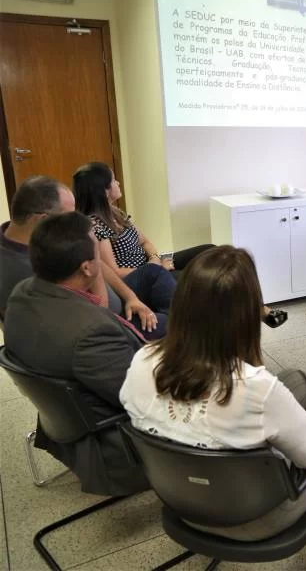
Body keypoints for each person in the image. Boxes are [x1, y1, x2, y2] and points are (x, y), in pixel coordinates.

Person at [119, 245, 306, 540]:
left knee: (298, 381)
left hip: (180, 505)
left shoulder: (142, 361)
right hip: (259, 518)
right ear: (248, 316)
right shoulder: (255, 388)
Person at [4, 212, 150, 495]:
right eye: (97, 248)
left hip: (73, 415)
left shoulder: (23, 292)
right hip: (115, 443)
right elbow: (143, 399)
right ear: (85, 267)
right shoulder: (90, 332)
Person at [73, 162, 287, 329]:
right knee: (206, 277)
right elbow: (117, 272)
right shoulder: (95, 226)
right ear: (103, 190)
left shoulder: (116, 213)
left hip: (153, 264)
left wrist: (155, 258)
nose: (118, 183)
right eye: (114, 180)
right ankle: (253, 312)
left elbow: (145, 241)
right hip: (141, 277)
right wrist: (155, 267)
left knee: (213, 251)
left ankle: (256, 307)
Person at [0, 176, 161, 339]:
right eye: (71, 215)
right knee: (179, 323)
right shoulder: (29, 269)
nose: (79, 220)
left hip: (118, 302)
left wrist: (130, 297)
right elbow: (94, 316)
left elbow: (101, 266)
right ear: (43, 219)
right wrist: (93, 251)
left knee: (161, 277)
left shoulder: (45, 237)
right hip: (108, 325)